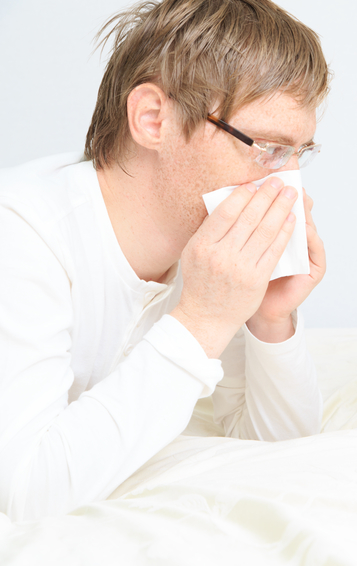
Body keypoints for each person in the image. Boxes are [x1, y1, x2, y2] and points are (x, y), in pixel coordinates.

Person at [0, 0, 330, 521]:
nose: (286, 183)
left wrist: (271, 319)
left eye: (297, 153)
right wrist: (200, 321)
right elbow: (22, 495)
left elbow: (276, 445)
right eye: (267, 147)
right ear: (153, 118)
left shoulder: (207, 248)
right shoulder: (20, 230)